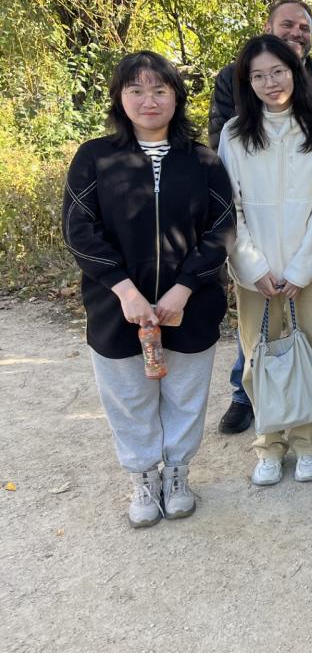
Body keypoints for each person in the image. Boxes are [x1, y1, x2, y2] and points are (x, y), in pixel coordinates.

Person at [63, 51, 234, 526]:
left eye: (160, 89)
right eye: (136, 89)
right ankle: (142, 476)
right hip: (115, 305)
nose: (149, 100)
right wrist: (125, 290)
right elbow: (80, 229)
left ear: (176, 96)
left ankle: (177, 472)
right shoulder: (95, 157)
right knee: (129, 396)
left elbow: (222, 227)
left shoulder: (202, 160)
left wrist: (184, 288)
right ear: (120, 97)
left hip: (191, 305)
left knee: (184, 393)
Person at [209, 0, 312, 434]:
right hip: (255, 249)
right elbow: (228, 191)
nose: (296, 34)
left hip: (309, 253)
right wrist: (250, 261)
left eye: (304, 27)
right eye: (286, 25)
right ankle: (255, 414)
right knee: (256, 343)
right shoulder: (234, 114)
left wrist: (306, 262)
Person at [218, 34, 312, 486]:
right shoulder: (234, 135)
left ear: (295, 72)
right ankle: (268, 445)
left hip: (309, 271)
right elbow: (233, 208)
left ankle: (310, 443)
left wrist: (300, 268)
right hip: (255, 273)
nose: (270, 82)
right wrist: (253, 266)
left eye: (278, 71)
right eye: (258, 75)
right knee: (258, 358)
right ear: (246, 83)